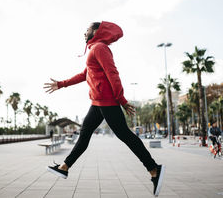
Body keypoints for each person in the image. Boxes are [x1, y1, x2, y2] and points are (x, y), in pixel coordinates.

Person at [44, 21, 165, 196]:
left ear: (96, 31)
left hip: (107, 101)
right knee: (84, 134)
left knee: (125, 135)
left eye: (87, 30)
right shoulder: (94, 49)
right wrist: (61, 84)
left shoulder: (100, 48)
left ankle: (154, 170)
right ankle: (64, 167)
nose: (84, 33)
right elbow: (85, 74)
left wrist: (122, 100)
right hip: (97, 102)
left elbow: (112, 73)